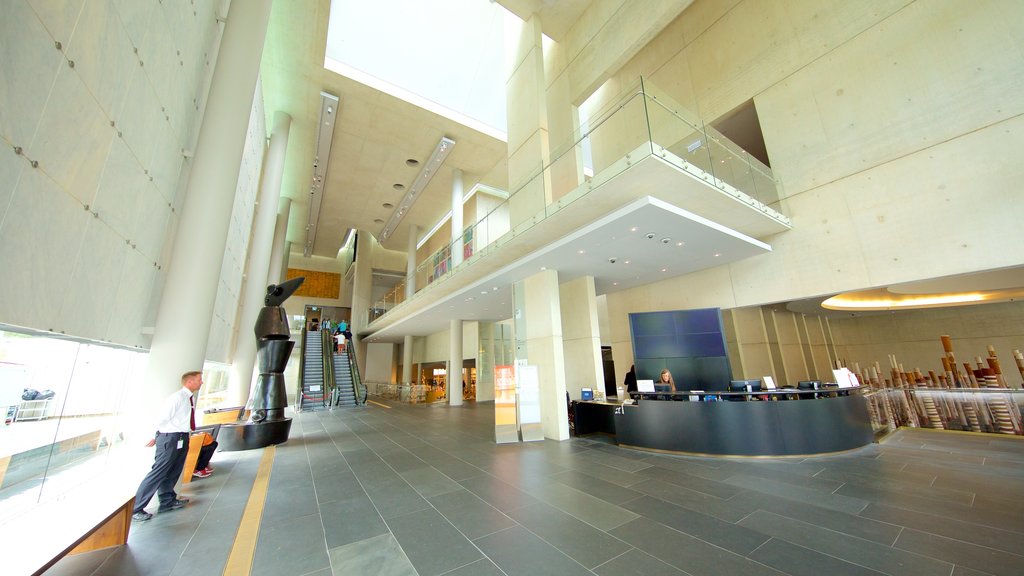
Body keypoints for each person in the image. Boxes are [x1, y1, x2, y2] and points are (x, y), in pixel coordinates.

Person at [131, 371, 202, 521]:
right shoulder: (176, 398)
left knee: (174, 470)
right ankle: (136, 508)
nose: (201, 383)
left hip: (181, 437)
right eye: (199, 380)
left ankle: (167, 499)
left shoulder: (190, 398)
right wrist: (154, 436)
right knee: (159, 471)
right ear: (189, 382)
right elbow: (161, 418)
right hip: (169, 438)